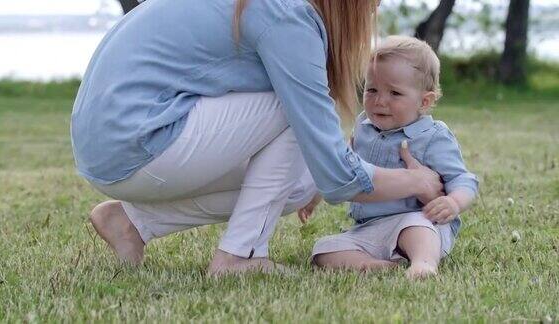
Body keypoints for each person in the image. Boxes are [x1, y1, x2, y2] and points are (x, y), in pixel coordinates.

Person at [71, 0, 444, 276]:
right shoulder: (289, 14)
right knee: (293, 110)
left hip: (109, 144)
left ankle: (133, 222)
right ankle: (239, 256)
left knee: (298, 184)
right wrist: (417, 179)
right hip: (137, 138)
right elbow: (337, 176)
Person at [306, 35, 479, 279]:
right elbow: (341, 166)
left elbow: (464, 180)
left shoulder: (432, 136)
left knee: (416, 227)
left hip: (419, 222)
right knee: (323, 249)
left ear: (425, 101)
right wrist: (313, 196)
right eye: (372, 89)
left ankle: (424, 264)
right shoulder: (363, 128)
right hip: (369, 228)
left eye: (395, 93)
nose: (380, 101)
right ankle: (373, 265)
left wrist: (453, 203)